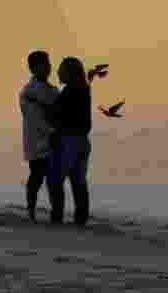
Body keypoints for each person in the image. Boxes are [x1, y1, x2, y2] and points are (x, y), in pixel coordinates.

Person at [47, 57, 118, 227]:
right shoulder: (84, 89)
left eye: (61, 70)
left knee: (55, 179)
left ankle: (57, 216)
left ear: (69, 73)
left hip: (69, 140)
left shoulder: (70, 91)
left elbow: (57, 116)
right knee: (78, 181)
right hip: (83, 141)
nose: (57, 72)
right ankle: (81, 217)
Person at [18, 50, 64, 222]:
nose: (47, 68)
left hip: (53, 142)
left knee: (54, 180)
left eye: (48, 64)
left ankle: (56, 213)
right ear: (33, 68)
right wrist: (52, 131)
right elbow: (35, 119)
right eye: (43, 65)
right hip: (37, 143)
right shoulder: (27, 92)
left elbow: (58, 110)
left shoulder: (52, 90)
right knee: (36, 177)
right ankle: (31, 211)